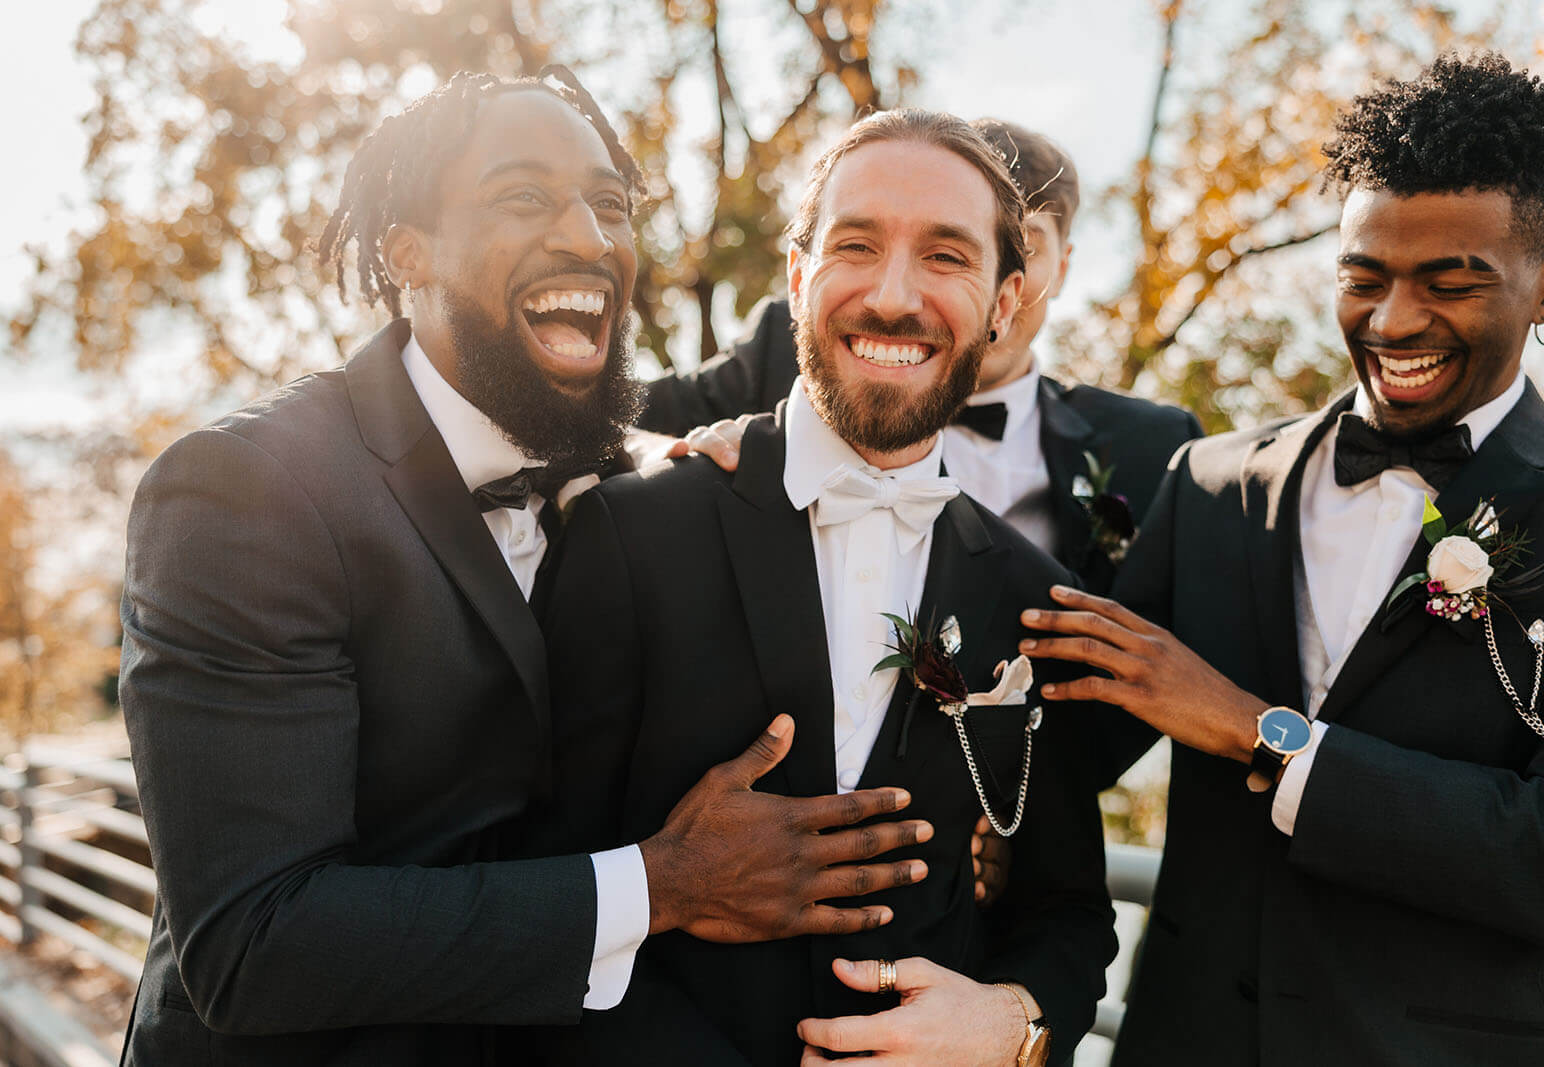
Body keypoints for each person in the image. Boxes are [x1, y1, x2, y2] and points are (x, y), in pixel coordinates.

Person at [118, 69, 933, 1066]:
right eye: (524, 196)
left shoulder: (631, 476)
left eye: (609, 204)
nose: (589, 238)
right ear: (406, 253)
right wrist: (663, 882)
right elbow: (255, 942)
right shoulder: (243, 491)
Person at [1022, 53, 1544, 1065]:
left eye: (1449, 281)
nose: (1391, 322)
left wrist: (1263, 734)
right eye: (1363, 277)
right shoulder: (1206, 483)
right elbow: (1057, 752)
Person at [534, 109, 1117, 1066]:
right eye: (857, 245)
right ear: (799, 275)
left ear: (1006, 301)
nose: (894, 297)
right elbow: (534, 878)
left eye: (946, 257)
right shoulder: (629, 532)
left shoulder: (1030, 596)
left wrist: (1019, 1022)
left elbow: (1068, 917)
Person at [641, 119, 1203, 595]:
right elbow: (617, 420)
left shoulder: (1153, 444)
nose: (898, 296)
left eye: (1025, 248)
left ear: (1058, 268)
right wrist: (677, 454)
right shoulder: (794, 347)